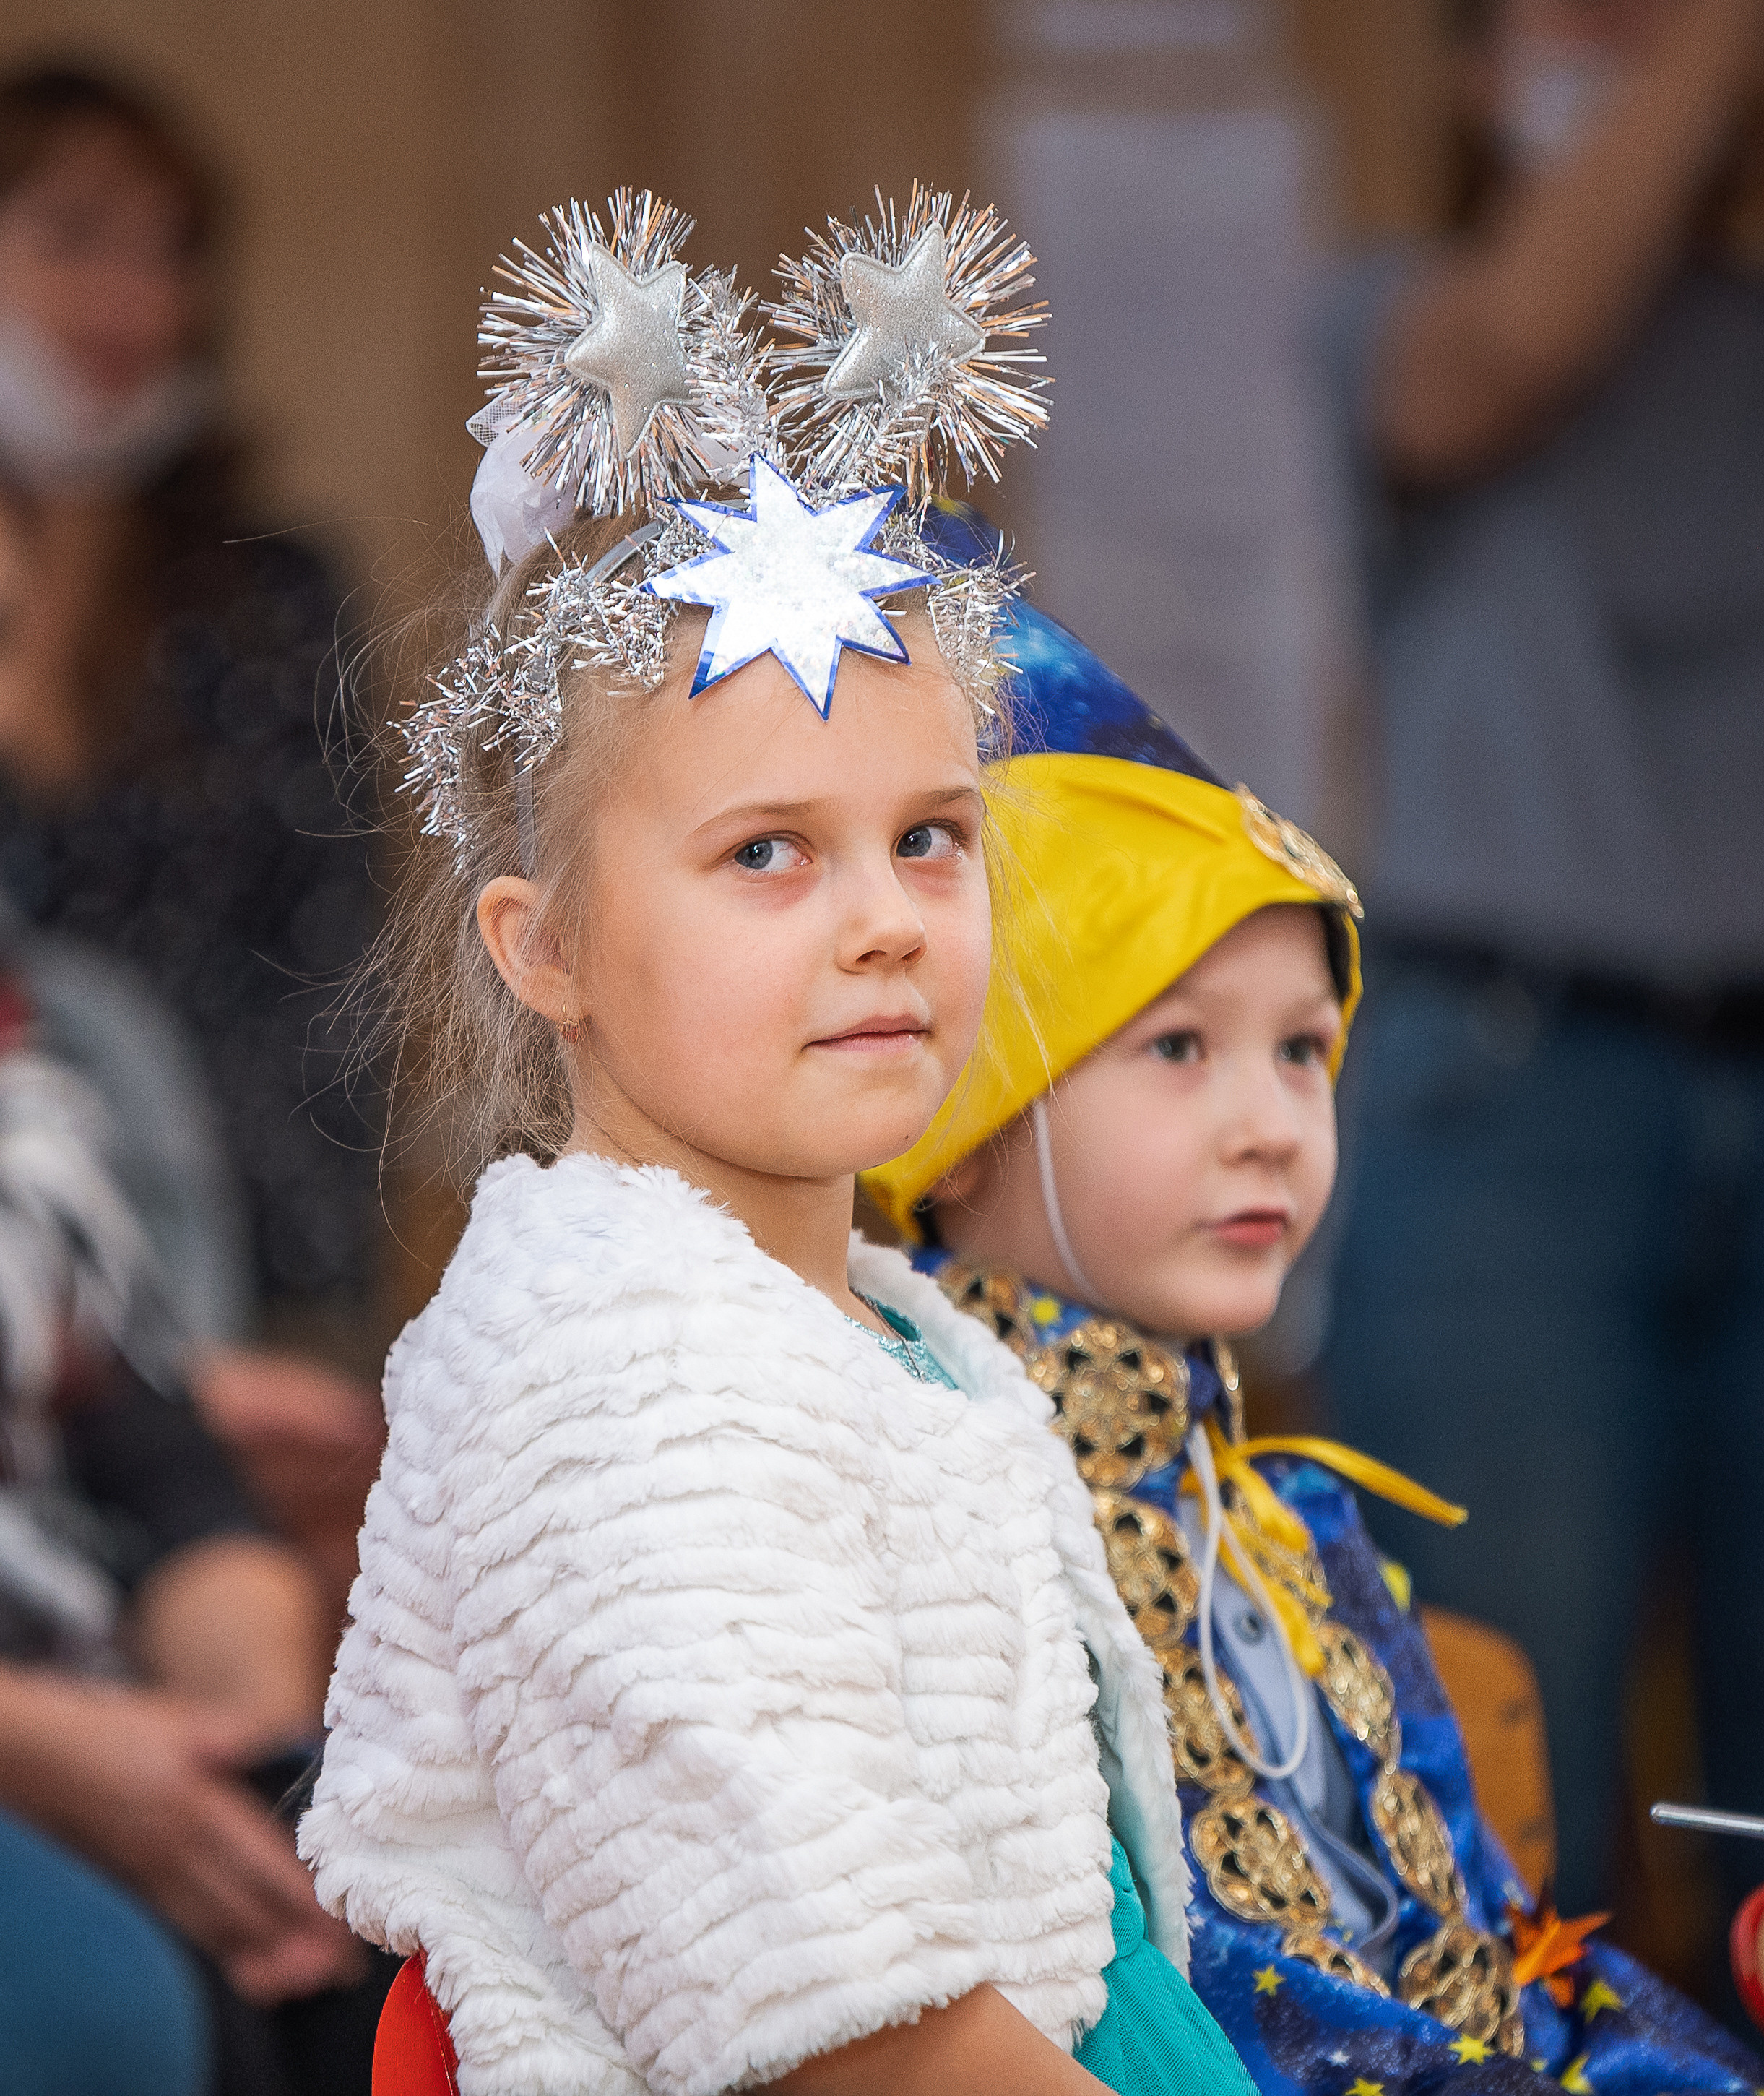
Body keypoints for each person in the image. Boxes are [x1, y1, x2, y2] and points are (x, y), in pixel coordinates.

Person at [301, 189, 1260, 2096]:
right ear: (544, 945)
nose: (891, 914)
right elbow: (845, 2027)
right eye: (768, 853)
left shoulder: (891, 1332)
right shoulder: (615, 1385)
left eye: (930, 832)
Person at [862, 519, 1761, 2092]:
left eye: (1303, 1046)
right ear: (972, 1111)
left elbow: (1493, 1961)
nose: (1273, 1117)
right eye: (1179, 1048)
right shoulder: (949, 1516)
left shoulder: (1285, 1535)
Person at [1313, 0, 1764, 1930]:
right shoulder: (1392, 314)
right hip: (1504, 1088)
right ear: (1470, 74)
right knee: (1493, 1801)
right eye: (1578, 16)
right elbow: (1511, 352)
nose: (1629, 51)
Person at [0, 63, 381, 1368]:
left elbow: (337, 972)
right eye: (73, 236)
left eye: (173, 253)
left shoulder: (273, 594)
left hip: (237, 1268)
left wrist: (306, 1301)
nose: (133, 295)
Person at [0, 924, 395, 2096]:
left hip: (91, 1671)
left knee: (410, 1906)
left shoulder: (30, 1053)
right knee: (105, 2016)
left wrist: (243, 1744)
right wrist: (47, 1750)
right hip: (40, 1722)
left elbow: (144, 1438)